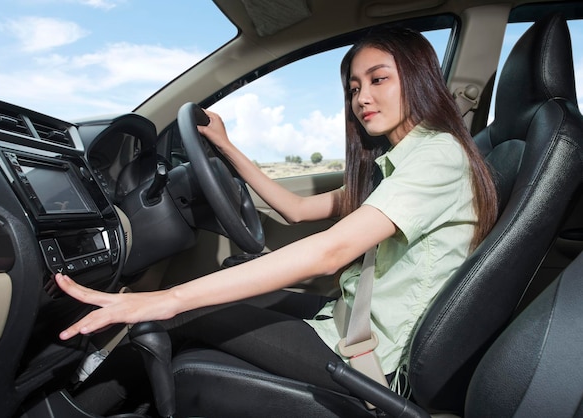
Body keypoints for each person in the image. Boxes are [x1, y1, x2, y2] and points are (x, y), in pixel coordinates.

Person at [56, 25, 498, 407]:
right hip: (346, 321)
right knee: (218, 288)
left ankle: (74, 408)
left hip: (367, 359)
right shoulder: (395, 164)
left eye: (378, 79)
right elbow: (297, 209)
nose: (362, 97)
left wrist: (165, 299)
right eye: (354, 88)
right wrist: (226, 147)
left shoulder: (438, 155)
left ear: (420, 79)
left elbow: (331, 252)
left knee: (177, 310)